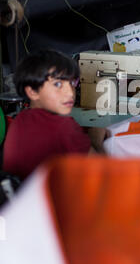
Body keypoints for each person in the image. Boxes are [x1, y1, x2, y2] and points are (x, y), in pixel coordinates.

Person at [3, 49, 108, 180]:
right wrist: (96, 140)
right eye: (58, 84)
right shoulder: (63, 126)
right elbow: (105, 171)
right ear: (32, 92)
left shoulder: (20, 119)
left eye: (72, 83)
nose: (70, 92)